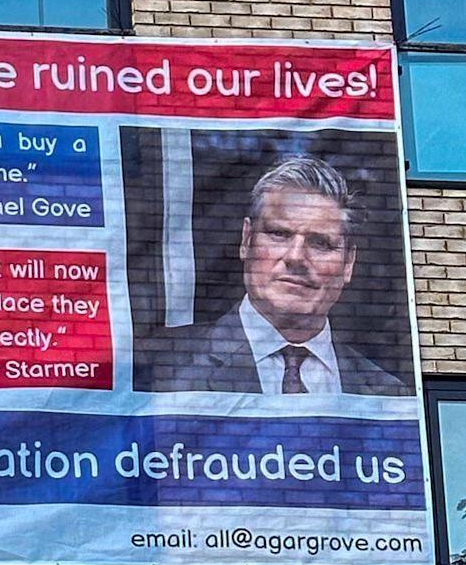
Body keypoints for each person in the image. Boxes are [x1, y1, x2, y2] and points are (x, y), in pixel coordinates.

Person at [146, 155, 406, 396]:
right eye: (279, 234)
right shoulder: (155, 365)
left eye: (320, 243)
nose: (296, 258)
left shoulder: (387, 395)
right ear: (246, 240)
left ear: (348, 263)